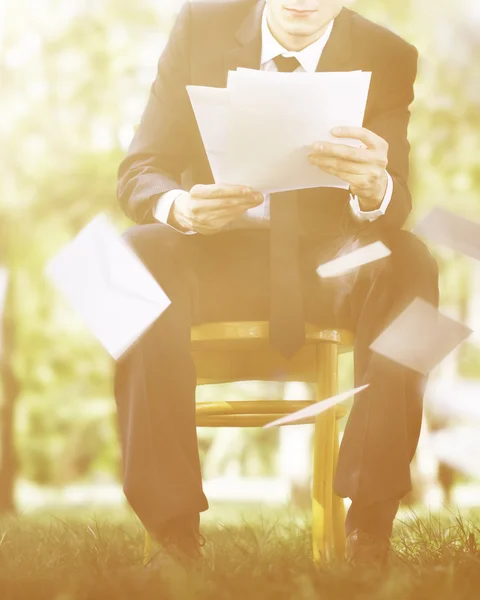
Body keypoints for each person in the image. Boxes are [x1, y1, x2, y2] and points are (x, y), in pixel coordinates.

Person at [115, 0, 439, 570]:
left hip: (326, 265)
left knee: (411, 263)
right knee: (127, 259)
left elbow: (396, 202)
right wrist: (181, 207)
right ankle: (173, 536)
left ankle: (370, 526)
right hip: (214, 256)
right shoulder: (199, 26)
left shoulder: (388, 54)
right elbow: (141, 169)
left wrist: (375, 187)